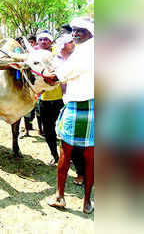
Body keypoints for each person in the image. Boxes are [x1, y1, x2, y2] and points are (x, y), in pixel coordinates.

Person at [47, 17, 94, 214]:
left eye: (80, 31)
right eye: (73, 30)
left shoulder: (85, 51)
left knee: (65, 154)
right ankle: (87, 202)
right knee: (91, 157)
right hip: (94, 107)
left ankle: (60, 196)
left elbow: (64, 74)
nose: (75, 34)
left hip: (77, 106)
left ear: (90, 32)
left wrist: (53, 74)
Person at [55, 34, 86, 186]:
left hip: (78, 103)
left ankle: (82, 173)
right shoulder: (54, 60)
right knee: (61, 139)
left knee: (77, 143)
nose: (73, 43)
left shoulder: (82, 57)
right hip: (56, 101)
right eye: (70, 41)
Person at [36, 30, 64, 165]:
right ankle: (55, 155)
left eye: (46, 39)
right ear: (37, 42)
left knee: (64, 130)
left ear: (50, 41)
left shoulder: (58, 54)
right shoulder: (33, 57)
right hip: (44, 99)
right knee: (48, 131)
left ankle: (66, 156)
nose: (43, 42)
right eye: (40, 39)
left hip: (62, 99)